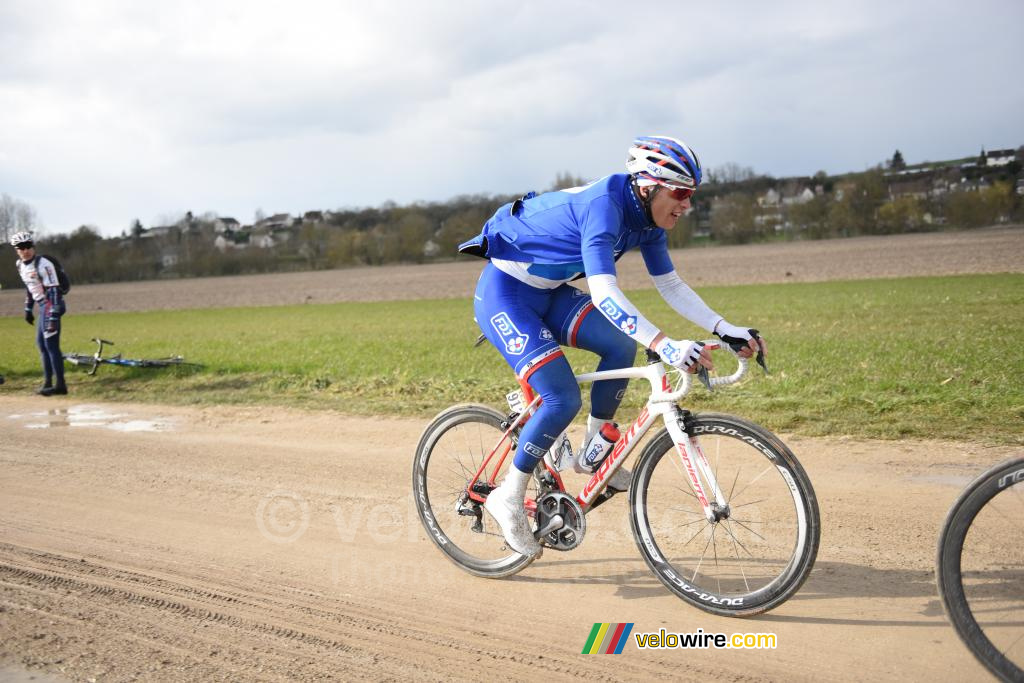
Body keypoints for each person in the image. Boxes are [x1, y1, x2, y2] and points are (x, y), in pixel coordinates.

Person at [459, 135, 767, 557]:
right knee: (561, 397)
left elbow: (670, 285)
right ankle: (508, 497)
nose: (686, 205)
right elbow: (604, 293)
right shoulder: (605, 207)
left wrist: (725, 327)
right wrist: (665, 343)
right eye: (679, 193)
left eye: (691, 195)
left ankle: (593, 456)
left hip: (549, 292)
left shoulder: (649, 221)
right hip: (506, 295)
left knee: (621, 346)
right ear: (648, 185)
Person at [10, 231, 68, 396]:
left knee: (51, 346)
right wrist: (28, 308)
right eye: (21, 247)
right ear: (16, 249)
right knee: (42, 345)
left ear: (33, 246)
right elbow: (30, 288)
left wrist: (53, 316)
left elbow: (55, 291)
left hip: (52, 305)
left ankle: (60, 385)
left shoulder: (43, 264)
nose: (25, 250)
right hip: (42, 306)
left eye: (28, 246)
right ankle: (48, 383)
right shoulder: (20, 265)